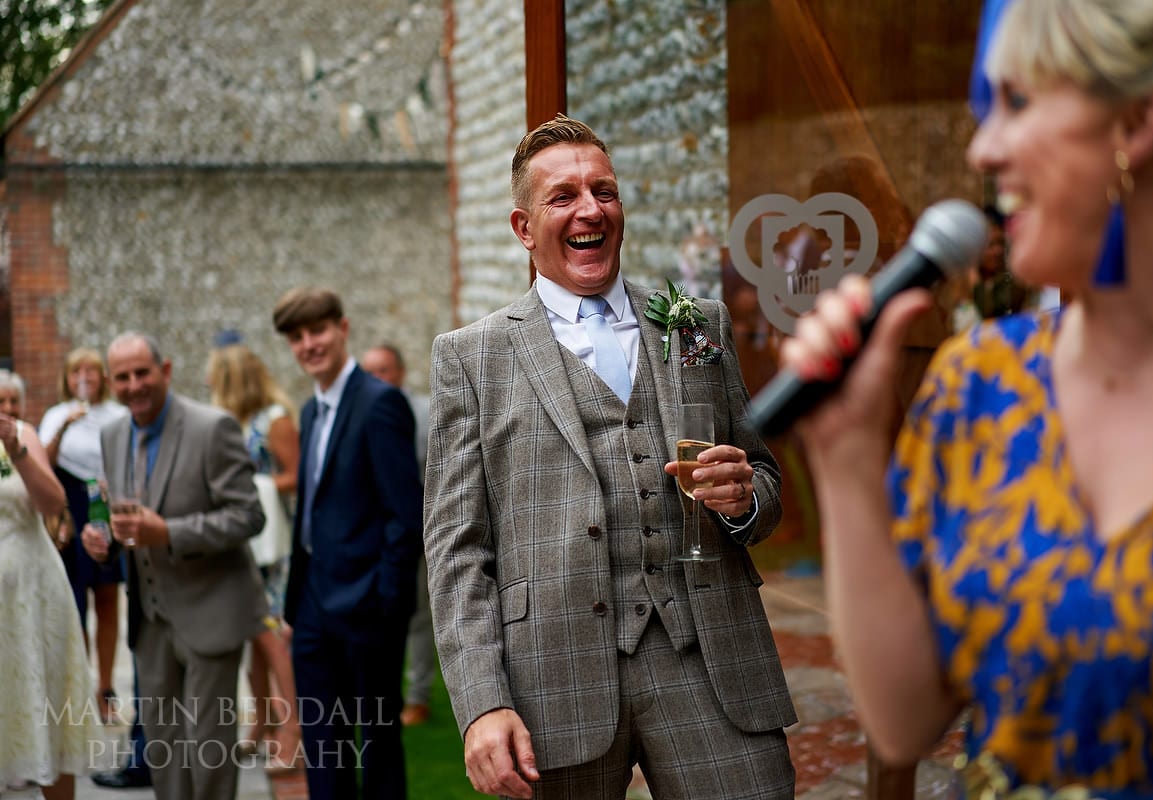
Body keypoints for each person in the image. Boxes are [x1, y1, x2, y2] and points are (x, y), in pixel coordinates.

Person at [779, 0, 1153, 796]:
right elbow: (904, 719)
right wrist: (844, 459)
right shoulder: (980, 382)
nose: (983, 149)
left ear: (1138, 120)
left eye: (1016, 104)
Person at [424, 114, 796, 799]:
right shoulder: (472, 357)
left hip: (710, 662)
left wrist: (745, 499)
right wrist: (481, 700)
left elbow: (765, 478)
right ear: (522, 227)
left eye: (604, 190)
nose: (589, 209)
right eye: (562, 197)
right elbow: (456, 549)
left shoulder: (695, 324)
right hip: (552, 680)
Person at [81, 332, 267, 800]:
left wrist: (170, 533)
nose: (133, 384)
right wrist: (102, 541)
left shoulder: (212, 427)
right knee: (163, 753)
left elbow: (249, 515)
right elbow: (125, 520)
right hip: (150, 618)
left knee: (208, 753)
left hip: (211, 611)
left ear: (164, 371)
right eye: (122, 377)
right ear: (110, 382)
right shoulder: (112, 435)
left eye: (142, 372)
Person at [272, 288, 422, 800]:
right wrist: (296, 605)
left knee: (376, 747)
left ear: (343, 328)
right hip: (313, 606)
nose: (308, 344)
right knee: (324, 747)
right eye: (297, 337)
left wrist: (387, 603)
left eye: (317, 331)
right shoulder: (310, 412)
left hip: (368, 607)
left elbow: (405, 516)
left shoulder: (380, 403)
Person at [205, 343, 304, 772]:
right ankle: (260, 721)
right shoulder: (231, 422)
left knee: (273, 636)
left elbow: (297, 476)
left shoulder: (274, 420)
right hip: (242, 544)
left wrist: (255, 487)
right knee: (252, 638)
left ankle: (293, 730)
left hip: (274, 544)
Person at [0, 369, 90, 800]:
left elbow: (54, 503)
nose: (6, 408)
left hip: (34, 591)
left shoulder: (23, 435)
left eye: (11, 401)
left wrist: (14, 447)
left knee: (49, 703)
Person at [37, 347, 127, 720]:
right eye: (77, 371)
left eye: (92, 370)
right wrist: (65, 426)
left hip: (105, 501)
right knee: (77, 604)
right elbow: (43, 461)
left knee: (107, 599)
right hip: (71, 508)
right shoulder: (57, 414)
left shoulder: (117, 414)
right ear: (68, 377)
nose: (85, 378)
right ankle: (80, 685)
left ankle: (105, 688)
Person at [360, 342, 433, 727]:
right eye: (369, 372)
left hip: (419, 531)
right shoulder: (359, 414)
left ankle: (418, 696)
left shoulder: (424, 412)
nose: (376, 379)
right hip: (373, 536)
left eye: (383, 370)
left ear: (400, 372)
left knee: (419, 617)